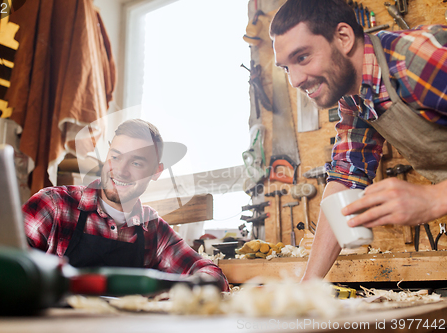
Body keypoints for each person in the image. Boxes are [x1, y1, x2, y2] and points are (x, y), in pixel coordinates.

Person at [270, 0, 447, 280]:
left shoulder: (416, 58)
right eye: (286, 67)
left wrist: (436, 198)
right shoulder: (354, 99)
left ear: (343, 37)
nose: (295, 80)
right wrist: (308, 288)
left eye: (302, 57)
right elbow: (345, 179)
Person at [23, 119, 229, 291]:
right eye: (115, 157)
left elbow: (210, 274)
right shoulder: (54, 205)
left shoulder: (153, 230)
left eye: (136, 163)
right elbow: (4, 263)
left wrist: (181, 290)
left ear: (156, 172)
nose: (120, 171)